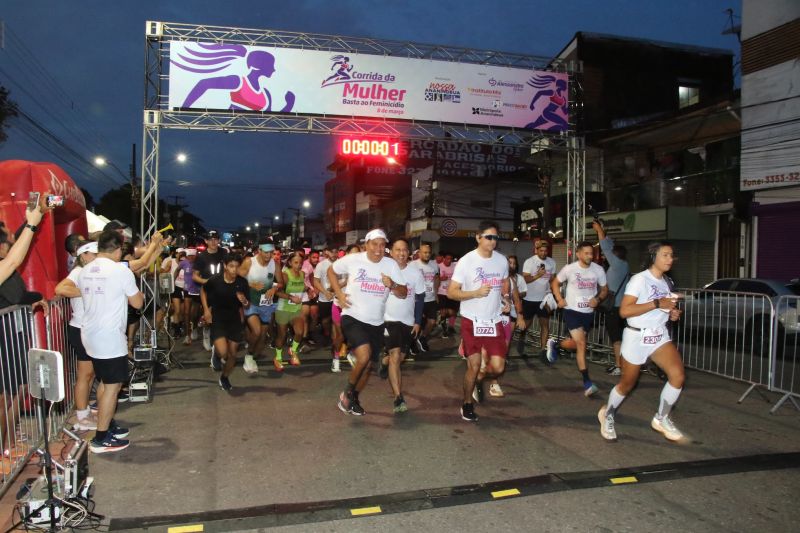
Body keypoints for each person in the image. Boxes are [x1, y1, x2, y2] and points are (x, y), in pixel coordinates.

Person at [599, 242, 684, 442]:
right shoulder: (639, 280)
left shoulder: (667, 282)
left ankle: (661, 418)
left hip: (659, 335)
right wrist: (657, 303)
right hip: (636, 336)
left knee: (678, 376)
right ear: (654, 257)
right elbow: (624, 311)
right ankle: (607, 413)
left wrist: (671, 313)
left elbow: (663, 308)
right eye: (665, 255)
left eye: (672, 255)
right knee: (627, 384)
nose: (670, 259)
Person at [77, 230, 142, 453]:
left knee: (105, 382)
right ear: (117, 250)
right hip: (110, 336)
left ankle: (107, 424)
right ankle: (101, 438)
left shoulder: (85, 270)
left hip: (90, 334)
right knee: (113, 387)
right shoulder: (120, 271)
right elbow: (137, 303)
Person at [329, 229, 407, 416]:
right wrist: (339, 293)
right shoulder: (354, 259)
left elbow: (403, 293)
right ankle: (347, 393)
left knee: (367, 367)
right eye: (374, 244)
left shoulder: (390, 265)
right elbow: (331, 271)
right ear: (366, 245)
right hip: (353, 316)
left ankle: (353, 398)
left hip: (377, 322)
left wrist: (393, 285)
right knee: (364, 356)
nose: (378, 249)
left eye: (382, 245)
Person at [447, 221, 512, 422]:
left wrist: (506, 298)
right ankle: (467, 404)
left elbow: (505, 281)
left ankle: (478, 381)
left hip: (494, 321)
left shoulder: (501, 261)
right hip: (472, 321)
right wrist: (475, 293)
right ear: (478, 237)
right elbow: (451, 292)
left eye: (495, 238)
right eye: (489, 237)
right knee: (473, 366)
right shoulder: (466, 261)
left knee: (498, 368)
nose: (493, 241)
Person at [0, 198, 49, 457]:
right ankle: (3, 449)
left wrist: (34, 218)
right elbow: (12, 264)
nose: (12, 241)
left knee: (16, 392)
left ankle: (8, 445)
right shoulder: (4, 268)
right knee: (6, 397)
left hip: (13, 336)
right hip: (5, 339)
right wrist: (31, 225)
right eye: (8, 238)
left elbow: (17, 248)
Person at [550, 241, 608, 397]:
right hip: (571, 311)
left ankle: (556, 344)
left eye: (591, 253)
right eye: (586, 253)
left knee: (576, 344)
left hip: (588, 312)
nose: (590, 256)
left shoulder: (598, 270)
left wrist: (598, 299)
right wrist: (559, 299)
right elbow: (555, 283)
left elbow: (605, 289)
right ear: (578, 254)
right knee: (582, 344)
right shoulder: (570, 269)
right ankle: (587, 382)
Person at [56, 241, 99, 431]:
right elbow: (60, 289)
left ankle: (85, 411)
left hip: (88, 328)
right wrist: (86, 292)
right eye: (94, 254)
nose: (97, 257)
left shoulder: (90, 271)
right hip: (80, 328)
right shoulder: (78, 272)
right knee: (85, 373)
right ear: (84, 256)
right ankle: (82, 415)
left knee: (90, 373)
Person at [379, 238, 425, 413]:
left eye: (404, 249)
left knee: (400, 357)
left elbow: (420, 298)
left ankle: (384, 362)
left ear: (409, 253)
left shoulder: (415, 273)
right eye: (397, 250)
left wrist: (418, 321)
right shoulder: (383, 270)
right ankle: (398, 398)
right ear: (391, 252)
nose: (401, 253)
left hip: (407, 321)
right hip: (388, 319)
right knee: (396, 355)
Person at [201, 254, 250, 391]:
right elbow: (203, 291)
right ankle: (217, 354)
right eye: (231, 266)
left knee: (232, 355)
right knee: (224, 353)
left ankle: (224, 377)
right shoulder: (215, 280)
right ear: (225, 266)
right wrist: (206, 310)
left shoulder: (242, 282)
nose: (234, 269)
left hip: (234, 320)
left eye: (237, 266)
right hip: (218, 319)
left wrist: (244, 301)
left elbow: (247, 305)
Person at [238, 241, 283, 374]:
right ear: (259, 250)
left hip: (266, 304)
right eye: (266, 252)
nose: (269, 255)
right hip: (250, 302)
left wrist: (274, 289)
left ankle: (252, 355)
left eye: (271, 252)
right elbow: (237, 278)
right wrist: (251, 284)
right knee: (256, 331)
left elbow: (281, 282)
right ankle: (248, 356)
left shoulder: (275, 264)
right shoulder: (249, 262)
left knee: (262, 336)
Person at [486, 255, 526, 398]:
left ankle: (494, 382)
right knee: (486, 353)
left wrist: (520, 316)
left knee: (502, 352)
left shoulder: (511, 281)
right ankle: (479, 377)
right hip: (487, 319)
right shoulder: (487, 278)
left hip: (504, 319)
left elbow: (517, 300)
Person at [593, 221, 630, 376]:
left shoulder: (616, 264)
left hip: (614, 307)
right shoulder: (624, 265)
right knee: (621, 337)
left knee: (616, 338)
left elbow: (605, 246)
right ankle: (624, 364)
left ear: (615, 255)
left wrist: (598, 229)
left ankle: (619, 366)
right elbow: (609, 244)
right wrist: (603, 230)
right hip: (622, 306)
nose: (607, 255)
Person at [193, 230, 228, 366]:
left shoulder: (224, 253)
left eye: (216, 239)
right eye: (210, 239)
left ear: (219, 240)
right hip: (208, 291)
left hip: (224, 291)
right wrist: (206, 281)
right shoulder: (202, 256)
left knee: (223, 321)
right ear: (206, 241)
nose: (213, 242)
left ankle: (220, 350)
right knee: (209, 318)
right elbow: (195, 276)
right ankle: (206, 332)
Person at [520, 240, 557, 358]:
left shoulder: (552, 262)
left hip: (544, 299)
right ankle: (521, 341)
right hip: (529, 299)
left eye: (546, 251)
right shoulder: (529, 261)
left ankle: (543, 350)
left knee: (545, 324)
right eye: (541, 250)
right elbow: (525, 279)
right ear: (537, 250)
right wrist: (538, 275)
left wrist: (554, 288)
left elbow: (552, 279)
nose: (544, 253)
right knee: (525, 324)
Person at [273, 251, 307, 370]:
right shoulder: (285, 275)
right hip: (283, 309)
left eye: (300, 263)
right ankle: (278, 357)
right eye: (296, 262)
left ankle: (293, 350)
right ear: (290, 262)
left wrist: (309, 290)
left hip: (296, 309)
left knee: (299, 332)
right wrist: (291, 297)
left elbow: (302, 287)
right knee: (281, 336)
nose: (299, 265)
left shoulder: (302, 274)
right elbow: (277, 292)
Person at [412, 242, 439, 352]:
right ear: (419, 253)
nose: (427, 254)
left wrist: (436, 294)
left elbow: (436, 278)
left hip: (431, 298)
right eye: (425, 252)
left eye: (429, 252)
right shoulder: (413, 265)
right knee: (416, 323)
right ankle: (412, 343)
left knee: (432, 322)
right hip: (418, 299)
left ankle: (422, 337)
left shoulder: (434, 265)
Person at [313, 249, 337, 370]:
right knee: (326, 321)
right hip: (324, 298)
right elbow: (316, 281)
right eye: (332, 252)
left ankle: (335, 344)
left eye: (336, 252)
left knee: (336, 322)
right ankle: (327, 334)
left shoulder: (342, 263)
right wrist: (325, 292)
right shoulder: (321, 265)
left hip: (337, 298)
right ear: (327, 252)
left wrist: (336, 291)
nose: (334, 254)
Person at [178, 248, 200, 345]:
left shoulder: (199, 263)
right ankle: (187, 335)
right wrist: (173, 282)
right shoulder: (184, 263)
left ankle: (194, 328)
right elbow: (176, 270)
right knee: (186, 312)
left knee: (195, 314)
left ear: (196, 256)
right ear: (186, 256)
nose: (191, 258)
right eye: (189, 256)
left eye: (193, 256)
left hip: (197, 290)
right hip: (187, 290)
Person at [436, 252, 458, 338]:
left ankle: (451, 326)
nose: (449, 261)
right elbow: (434, 278)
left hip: (452, 292)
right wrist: (441, 278)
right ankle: (444, 330)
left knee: (453, 312)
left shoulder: (454, 265)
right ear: (443, 258)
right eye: (447, 259)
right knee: (443, 312)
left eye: (450, 259)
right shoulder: (439, 266)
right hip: (441, 292)